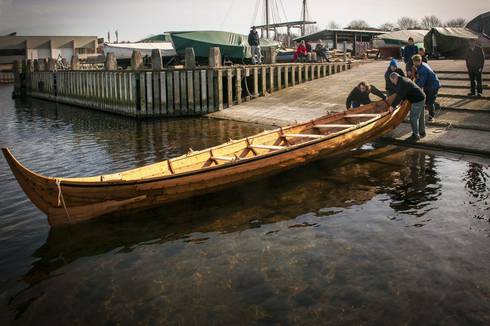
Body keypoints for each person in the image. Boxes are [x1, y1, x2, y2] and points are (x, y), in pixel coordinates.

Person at [389, 72, 426, 141]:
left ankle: (415, 135)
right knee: (420, 116)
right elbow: (404, 93)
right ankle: (422, 132)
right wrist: (402, 102)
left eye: (393, 81)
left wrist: (392, 106)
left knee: (413, 118)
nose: (393, 83)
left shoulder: (402, 83)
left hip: (417, 100)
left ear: (395, 78)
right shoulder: (402, 80)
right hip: (421, 97)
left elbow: (399, 95)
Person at [412, 54, 440, 122]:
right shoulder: (421, 65)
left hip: (433, 86)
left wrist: (414, 88)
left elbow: (422, 82)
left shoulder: (423, 69)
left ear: (419, 61)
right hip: (428, 86)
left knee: (429, 102)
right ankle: (434, 106)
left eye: (414, 62)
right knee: (426, 101)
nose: (413, 63)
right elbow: (419, 78)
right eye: (413, 62)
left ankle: (431, 116)